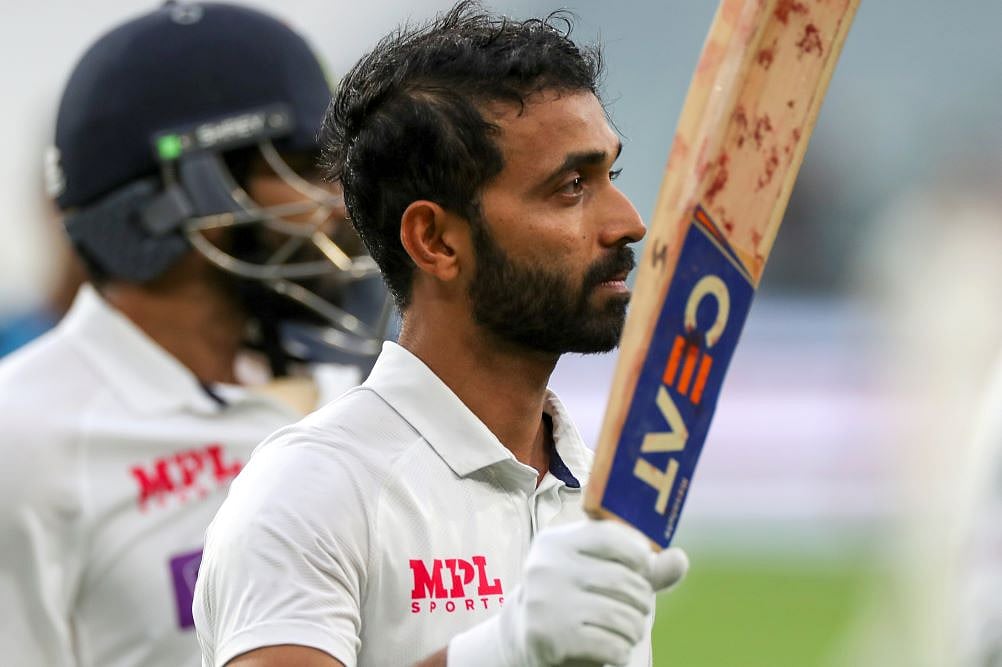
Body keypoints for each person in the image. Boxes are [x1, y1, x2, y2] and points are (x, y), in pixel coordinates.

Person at [194, 2, 689, 666]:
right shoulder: (313, 489)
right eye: (571, 186)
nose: (628, 222)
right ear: (435, 240)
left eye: (611, 175)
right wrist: (504, 650)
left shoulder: (598, 488)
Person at [0, 3, 388, 666]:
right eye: (301, 165)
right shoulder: (24, 439)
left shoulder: (341, 392)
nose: (337, 205)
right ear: (182, 195)